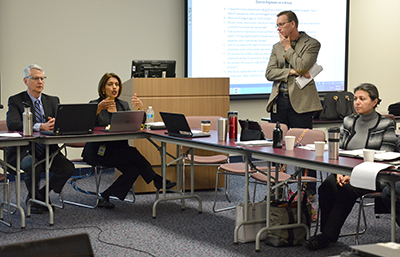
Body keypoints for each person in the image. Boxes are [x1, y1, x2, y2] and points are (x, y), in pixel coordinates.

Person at [304, 83, 397, 250]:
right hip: (346, 171)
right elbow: (339, 151)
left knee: (348, 190)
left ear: (375, 101)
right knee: (326, 187)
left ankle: (327, 236)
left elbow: (386, 155)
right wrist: (339, 172)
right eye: (355, 99)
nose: (357, 102)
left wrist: (354, 174)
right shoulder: (348, 121)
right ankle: (326, 232)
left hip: (374, 175)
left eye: (362, 99)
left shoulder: (385, 123)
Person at [81, 72, 176, 209]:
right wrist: (98, 109)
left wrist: (140, 109)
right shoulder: (95, 105)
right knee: (133, 154)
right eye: (110, 84)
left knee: (134, 168)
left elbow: (136, 125)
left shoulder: (123, 105)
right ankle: (157, 180)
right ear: (103, 88)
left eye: (117, 84)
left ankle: (105, 196)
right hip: (99, 152)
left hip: (119, 151)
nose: (114, 87)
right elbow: (85, 125)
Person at [265, 10, 322, 197]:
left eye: (281, 24)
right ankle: (277, 188)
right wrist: (291, 72)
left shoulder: (311, 44)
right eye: (277, 25)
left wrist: (288, 48)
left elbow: (303, 66)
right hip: (279, 102)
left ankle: (308, 190)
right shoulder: (276, 46)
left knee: (305, 147)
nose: (278, 28)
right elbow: (269, 73)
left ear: (293, 24)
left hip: (302, 103)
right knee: (278, 146)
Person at [6, 64, 75, 214]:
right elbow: (12, 124)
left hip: (47, 149)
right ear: (26, 81)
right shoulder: (16, 100)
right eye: (36, 78)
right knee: (33, 165)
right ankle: (35, 199)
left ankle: (40, 195)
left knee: (68, 168)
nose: (40, 82)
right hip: (23, 151)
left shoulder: (53, 100)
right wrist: (39, 126)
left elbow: (60, 124)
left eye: (42, 79)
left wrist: (56, 124)